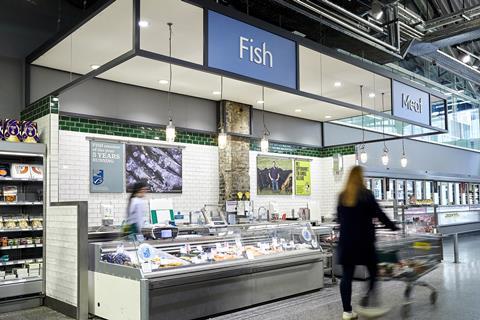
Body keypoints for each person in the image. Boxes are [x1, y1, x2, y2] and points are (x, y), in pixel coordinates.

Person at [337, 166, 398, 320]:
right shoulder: (366, 195)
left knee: (346, 276)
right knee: (373, 272)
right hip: (365, 242)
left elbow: (339, 219)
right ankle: (368, 302)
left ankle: (347, 312)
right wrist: (393, 227)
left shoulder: (342, 196)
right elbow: (379, 214)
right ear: (361, 177)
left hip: (347, 242)